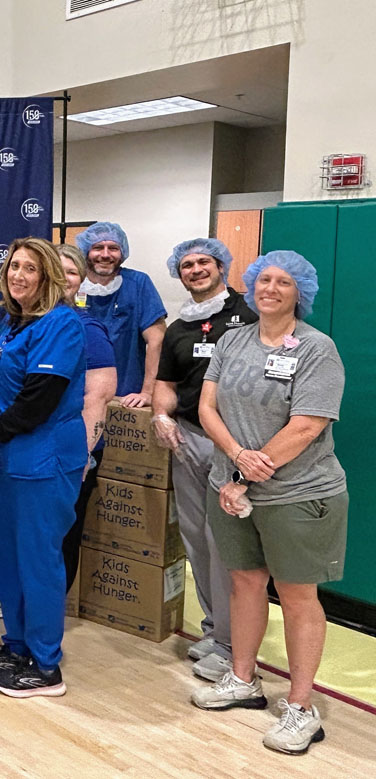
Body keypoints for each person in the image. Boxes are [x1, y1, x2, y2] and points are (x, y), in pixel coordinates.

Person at [192, 250, 346, 756]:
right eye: (264, 280)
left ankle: (302, 707)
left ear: (300, 292)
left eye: (283, 282)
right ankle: (243, 679)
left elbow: (307, 425)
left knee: (299, 596)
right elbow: (207, 405)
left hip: (297, 493)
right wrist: (236, 461)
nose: (271, 288)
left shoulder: (317, 349)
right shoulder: (233, 340)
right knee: (244, 582)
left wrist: (246, 473)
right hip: (231, 485)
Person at [0, 237, 86, 698]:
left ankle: (46, 665)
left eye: (30, 269)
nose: (19, 275)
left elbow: (38, 399)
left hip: (45, 459)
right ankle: (16, 647)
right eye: (14, 266)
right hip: (10, 459)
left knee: (39, 562)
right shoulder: (10, 323)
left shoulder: (61, 324)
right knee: (11, 560)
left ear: (48, 277)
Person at [151, 238, 256, 682]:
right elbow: (166, 382)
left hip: (233, 445)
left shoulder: (247, 318)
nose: (195, 269)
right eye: (187, 265)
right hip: (188, 440)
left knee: (225, 543)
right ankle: (215, 630)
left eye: (203, 262)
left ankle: (234, 645)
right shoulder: (179, 328)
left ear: (222, 267)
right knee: (195, 537)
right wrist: (161, 414)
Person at [56, 244, 118, 593]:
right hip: (30, 450)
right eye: (55, 268)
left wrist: (83, 454)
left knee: (62, 536)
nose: (62, 278)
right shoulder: (19, 322)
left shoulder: (88, 329)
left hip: (73, 451)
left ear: (81, 281)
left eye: (71, 272)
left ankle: (48, 623)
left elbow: (98, 397)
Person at [75, 222, 166, 407]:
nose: (105, 254)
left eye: (113, 248)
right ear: (85, 252)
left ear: (122, 252)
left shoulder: (138, 283)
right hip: (77, 394)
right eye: (98, 247)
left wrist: (148, 392)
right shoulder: (72, 285)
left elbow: (157, 340)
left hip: (126, 397)